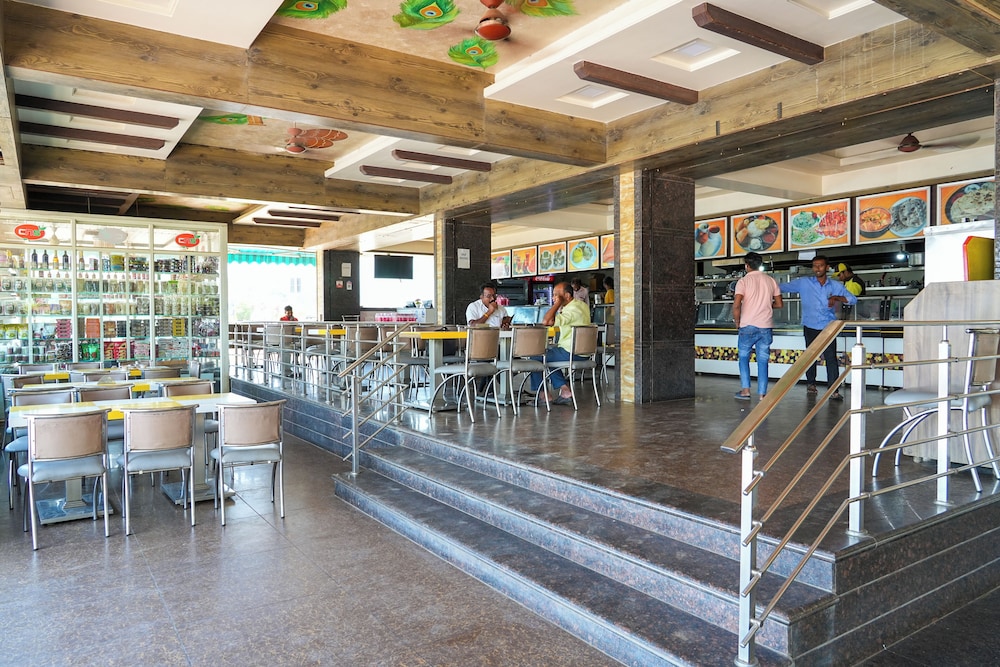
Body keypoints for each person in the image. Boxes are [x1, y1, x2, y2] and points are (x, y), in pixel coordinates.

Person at [781, 255, 857, 401]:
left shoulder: (835, 286)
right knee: (810, 357)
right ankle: (811, 384)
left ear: (827, 267)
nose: (817, 268)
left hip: (828, 327)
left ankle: (833, 390)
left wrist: (836, 298)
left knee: (831, 358)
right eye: (815, 265)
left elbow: (853, 299)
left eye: (820, 265)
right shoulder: (804, 283)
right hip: (810, 325)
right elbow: (781, 287)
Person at [528, 281, 591, 405]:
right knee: (550, 355)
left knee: (535, 356)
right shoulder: (582, 305)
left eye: (556, 295)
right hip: (584, 353)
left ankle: (543, 396)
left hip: (571, 352)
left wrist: (557, 304)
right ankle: (565, 392)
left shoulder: (572, 309)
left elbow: (546, 321)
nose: (553, 297)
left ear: (567, 296)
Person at [732, 252, 782, 400]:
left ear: (746, 265)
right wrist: (766, 305)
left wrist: (737, 322)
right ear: (760, 265)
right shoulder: (771, 280)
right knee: (763, 361)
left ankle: (746, 391)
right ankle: (762, 394)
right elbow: (779, 304)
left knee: (743, 358)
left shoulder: (743, 282)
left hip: (747, 325)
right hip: (765, 326)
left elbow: (736, 305)